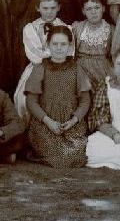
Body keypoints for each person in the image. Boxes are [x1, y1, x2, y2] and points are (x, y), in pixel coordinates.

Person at [24, 25, 91, 168]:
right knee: (60, 157)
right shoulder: (40, 68)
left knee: (75, 155)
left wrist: (73, 120)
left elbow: (85, 101)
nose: (59, 48)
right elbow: (31, 101)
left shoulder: (76, 68)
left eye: (63, 44)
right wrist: (48, 121)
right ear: (48, 45)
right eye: (55, 44)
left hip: (71, 124)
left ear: (69, 46)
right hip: (45, 124)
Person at [13, 0, 71, 118]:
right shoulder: (30, 28)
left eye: (52, 8)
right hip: (37, 69)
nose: (49, 12)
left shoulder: (66, 28)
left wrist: (50, 54)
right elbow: (34, 55)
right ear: (37, 8)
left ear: (59, 8)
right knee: (23, 99)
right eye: (45, 8)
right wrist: (54, 53)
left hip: (60, 70)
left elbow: (68, 53)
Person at [72, 0, 114, 97]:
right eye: (89, 9)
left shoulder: (110, 29)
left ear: (103, 8)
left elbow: (113, 55)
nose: (93, 12)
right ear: (83, 11)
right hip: (80, 67)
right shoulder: (77, 28)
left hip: (102, 68)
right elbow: (72, 51)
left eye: (97, 8)